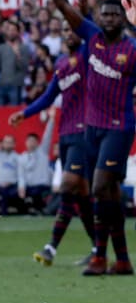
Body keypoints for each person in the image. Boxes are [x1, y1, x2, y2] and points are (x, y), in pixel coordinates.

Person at [39, 0, 136, 275]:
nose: (108, 19)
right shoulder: (91, 38)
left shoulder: (132, 50)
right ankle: (122, 259)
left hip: (118, 128)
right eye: (104, 14)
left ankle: (98, 255)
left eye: (114, 15)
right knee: (107, 194)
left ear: (123, 19)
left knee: (97, 187)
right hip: (90, 129)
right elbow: (63, 4)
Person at [10, 22, 96, 265]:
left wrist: (84, 16)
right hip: (66, 134)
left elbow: (90, 34)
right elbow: (48, 97)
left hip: (83, 132)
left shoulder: (86, 58)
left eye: (73, 30)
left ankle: (51, 248)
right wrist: (24, 113)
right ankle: (97, 249)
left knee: (68, 186)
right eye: (66, 31)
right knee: (80, 196)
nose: (70, 35)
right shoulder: (60, 65)